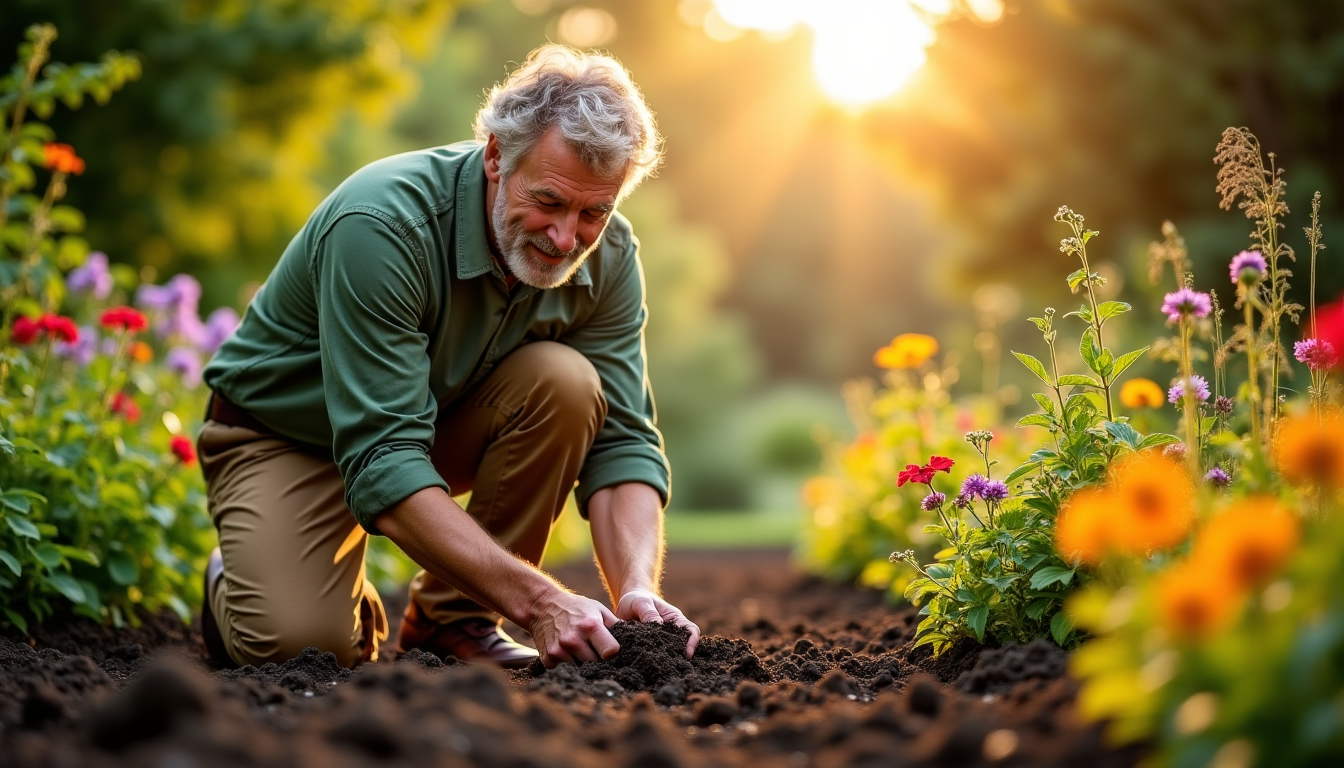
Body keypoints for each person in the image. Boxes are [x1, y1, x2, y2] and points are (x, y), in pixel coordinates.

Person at [196, 44, 698, 670]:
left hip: (425, 428)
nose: (567, 237)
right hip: (284, 438)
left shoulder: (611, 255)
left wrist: (636, 589)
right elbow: (382, 456)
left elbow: (623, 441)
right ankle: (236, 578)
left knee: (565, 382)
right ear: (495, 157)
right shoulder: (380, 226)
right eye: (547, 201)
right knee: (301, 650)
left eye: (594, 211)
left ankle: (453, 623)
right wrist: (541, 603)